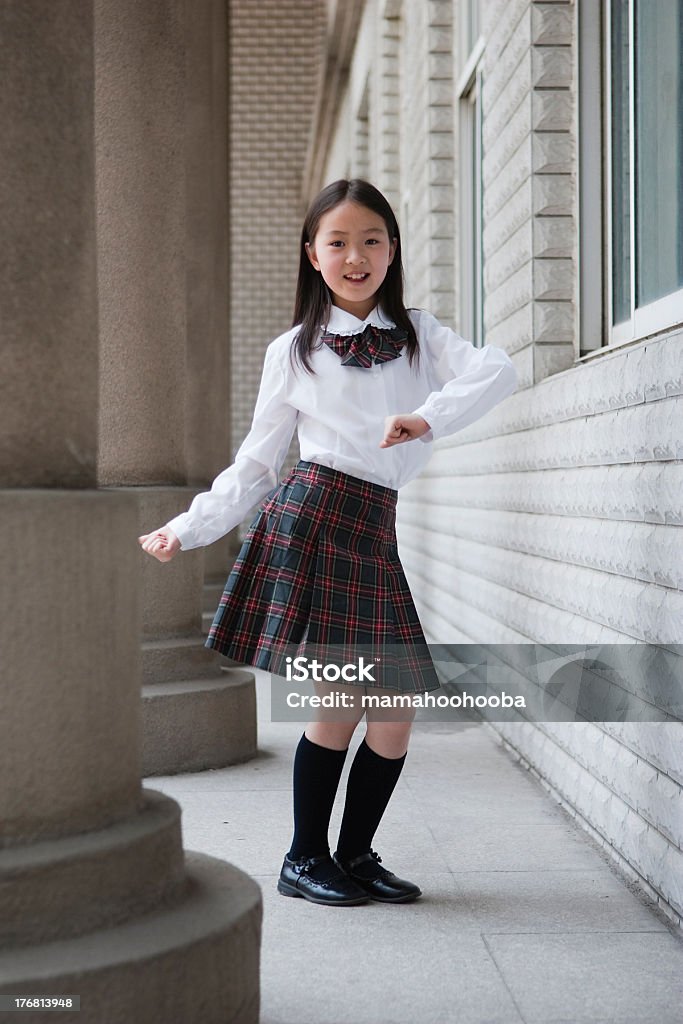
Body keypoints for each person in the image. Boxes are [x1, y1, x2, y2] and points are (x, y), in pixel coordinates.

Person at [139, 178, 517, 907]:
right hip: (315, 516)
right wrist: (188, 528)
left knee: (395, 709)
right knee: (341, 702)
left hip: (372, 526)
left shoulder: (417, 331)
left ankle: (354, 854)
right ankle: (304, 858)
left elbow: (495, 369)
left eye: (370, 239)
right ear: (312, 255)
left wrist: (426, 416)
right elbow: (256, 463)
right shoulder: (294, 351)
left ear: (393, 249)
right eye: (337, 241)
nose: (355, 255)